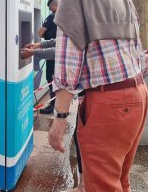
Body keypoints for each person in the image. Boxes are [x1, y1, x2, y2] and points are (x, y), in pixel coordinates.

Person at [48, 0, 148, 192]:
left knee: (101, 186)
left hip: (108, 103)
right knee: (120, 179)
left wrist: (59, 119)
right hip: (138, 94)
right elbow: (136, 46)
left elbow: (68, 64)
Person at [21, 40, 85, 192]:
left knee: (85, 141)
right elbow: (63, 41)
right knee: (81, 138)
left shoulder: (73, 17)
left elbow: (63, 50)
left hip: (100, 98)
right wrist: (39, 46)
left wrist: (60, 119)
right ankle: (84, 185)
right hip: (126, 92)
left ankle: (84, 186)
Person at [37, 0, 58, 114]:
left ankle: (53, 105)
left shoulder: (51, 17)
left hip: (52, 51)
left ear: (55, 5)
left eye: (50, 6)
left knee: (50, 77)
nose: (50, 9)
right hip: (62, 52)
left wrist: (45, 35)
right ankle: (58, 104)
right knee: (58, 78)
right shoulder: (65, 16)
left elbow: (40, 33)